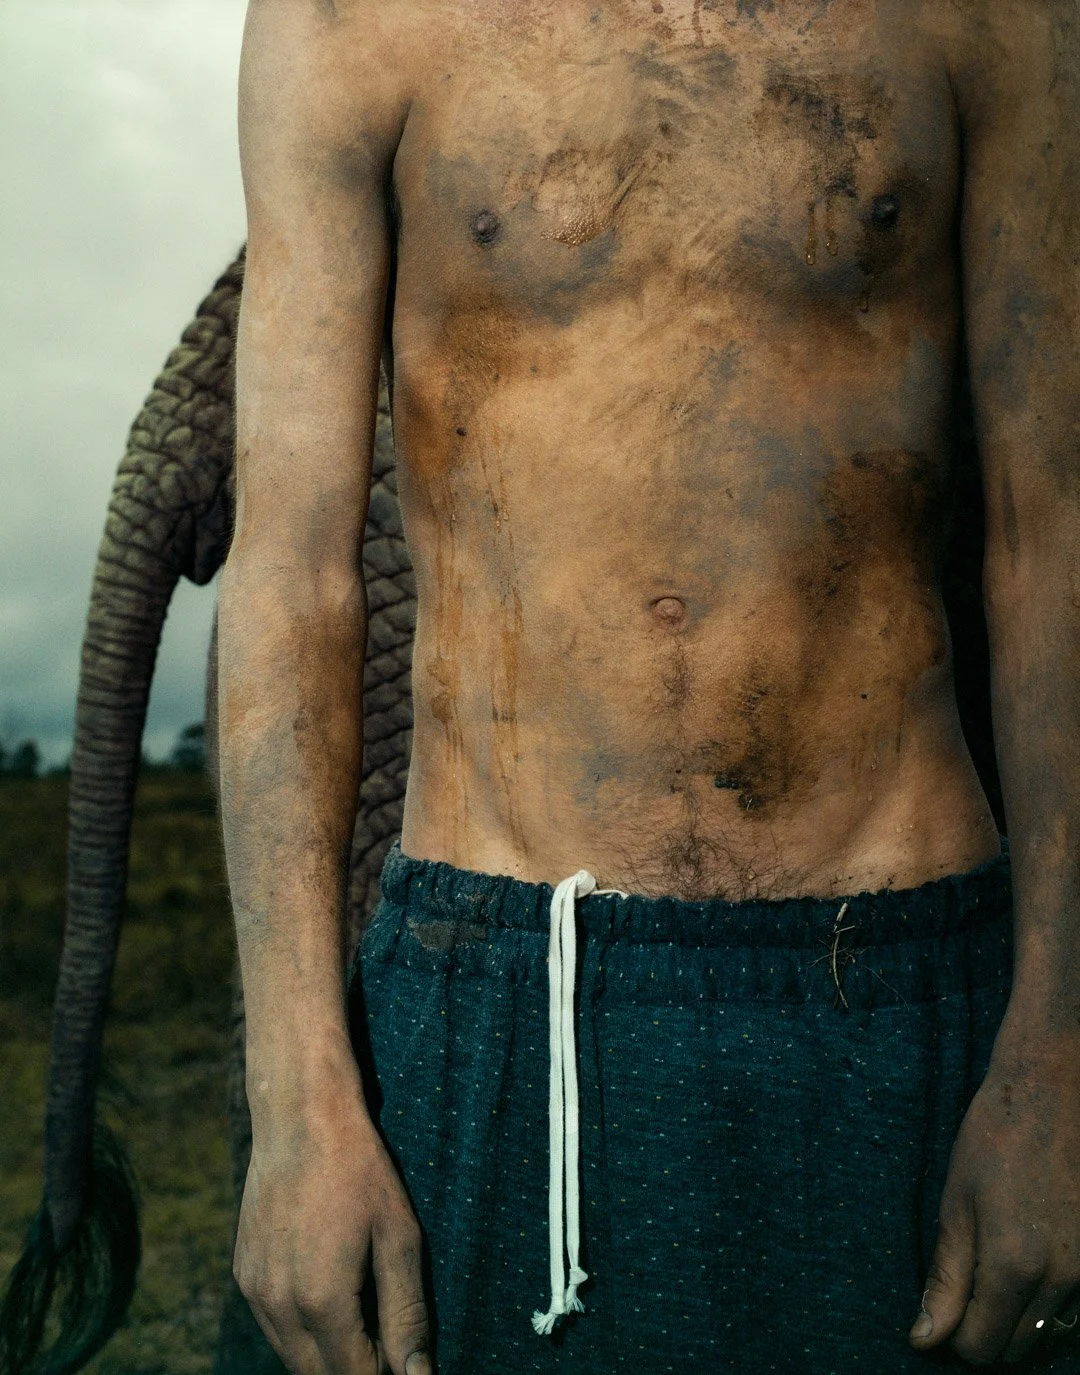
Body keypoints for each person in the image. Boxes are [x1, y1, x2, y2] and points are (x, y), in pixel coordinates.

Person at [216, 0, 1080, 1369]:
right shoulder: (349, 22)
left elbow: (1053, 536)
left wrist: (1061, 1051)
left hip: (913, 971)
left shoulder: (997, 19)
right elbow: (290, 576)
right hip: (493, 973)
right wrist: (298, 1093)